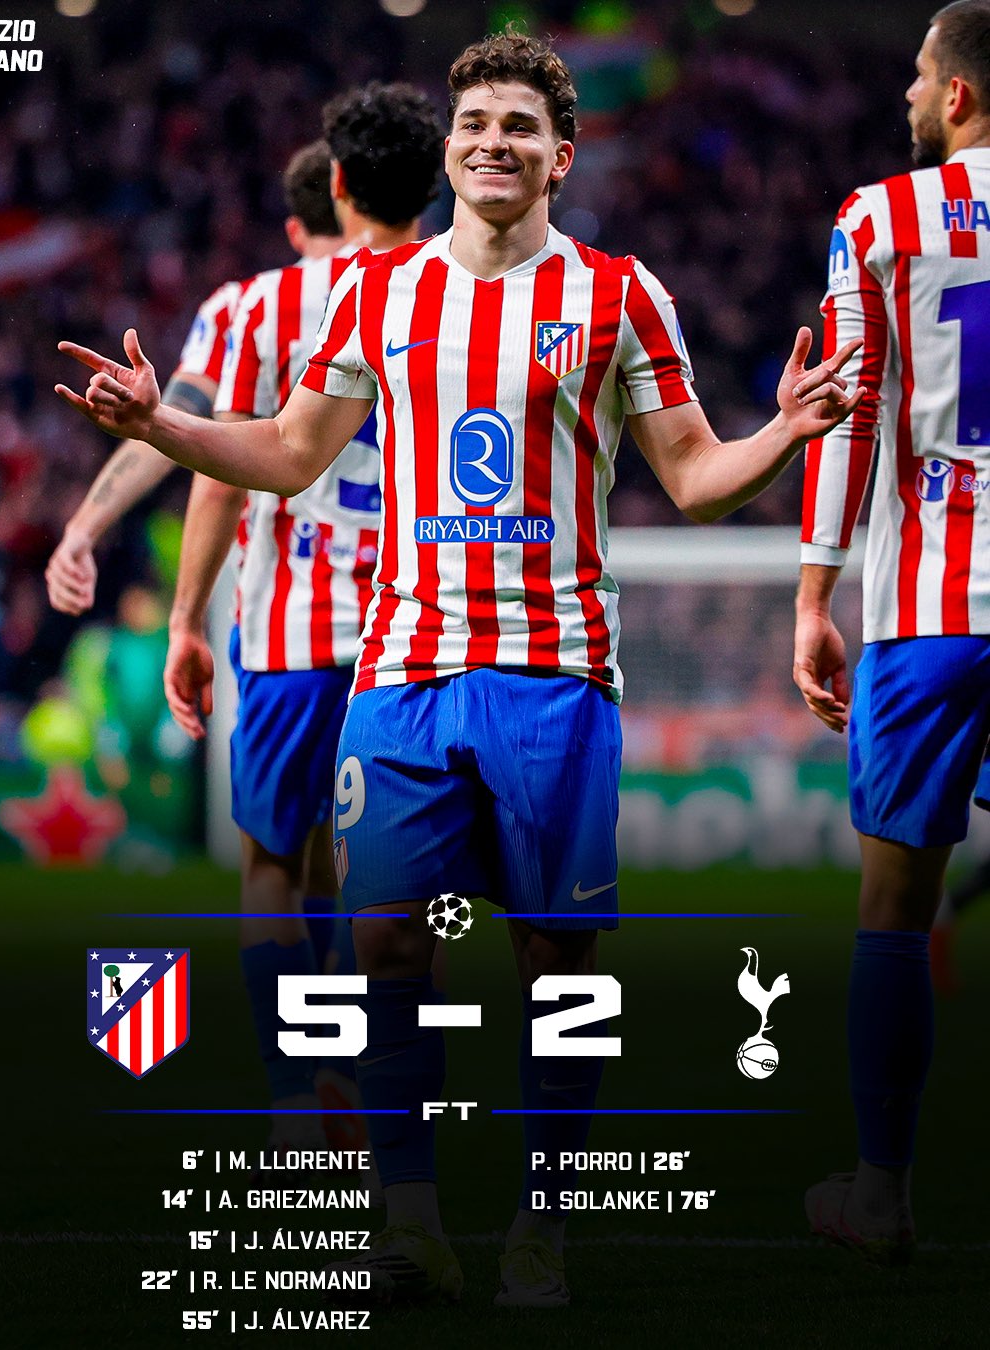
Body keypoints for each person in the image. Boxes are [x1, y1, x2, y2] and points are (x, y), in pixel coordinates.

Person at [56, 30, 862, 1309]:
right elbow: (287, 451)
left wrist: (786, 431)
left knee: (560, 962)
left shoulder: (619, 293)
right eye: (476, 122)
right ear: (447, 149)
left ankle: (543, 1225)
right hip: (402, 673)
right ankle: (412, 1221)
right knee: (384, 946)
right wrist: (159, 422)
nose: (495, 142)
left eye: (520, 127)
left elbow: (696, 478)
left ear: (562, 156)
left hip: (555, 674)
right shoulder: (377, 294)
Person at [162, 83, 443, 1152]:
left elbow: (220, 469)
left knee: (276, 865)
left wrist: (187, 618)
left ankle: (296, 1098)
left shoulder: (260, 306)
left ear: (337, 183)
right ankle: (378, 1095)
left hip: (287, 631)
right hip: (414, 636)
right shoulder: (460, 294)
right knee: (394, 884)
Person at [794, 0, 990, 1267]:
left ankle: (881, 1194)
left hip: (931, 611)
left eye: (922, 77)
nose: (910, 95)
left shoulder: (883, 217)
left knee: (895, 904)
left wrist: (814, 595)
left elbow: (849, 414)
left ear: (959, 95)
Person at [44, 140, 342, 617]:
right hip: (407, 599)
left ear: (293, 230)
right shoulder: (418, 296)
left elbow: (166, 421)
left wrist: (83, 529)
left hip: (285, 606)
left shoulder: (240, 307)